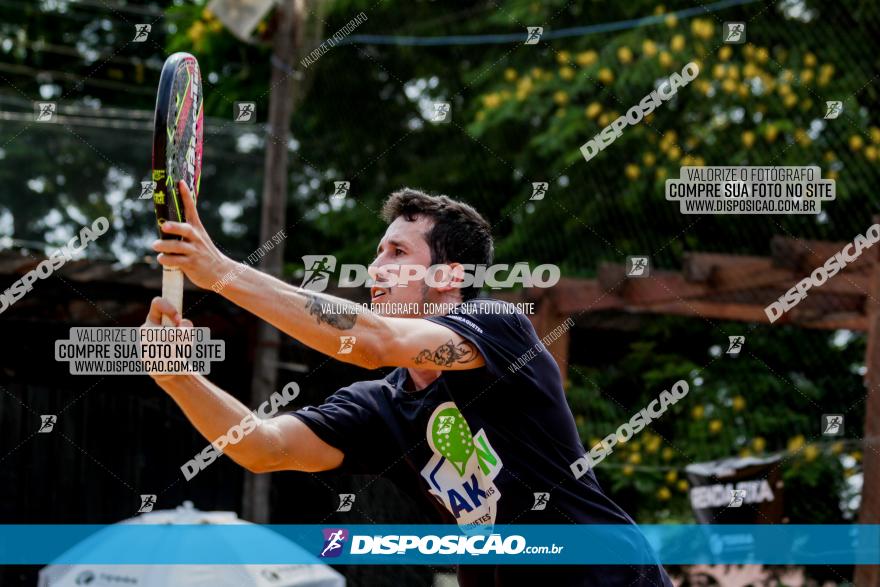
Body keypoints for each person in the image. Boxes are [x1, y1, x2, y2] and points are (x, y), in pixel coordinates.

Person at [145, 180, 673, 586]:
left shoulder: (498, 327)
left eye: (397, 253)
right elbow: (262, 447)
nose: (375, 268)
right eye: (378, 253)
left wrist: (220, 273)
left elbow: (372, 342)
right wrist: (179, 378)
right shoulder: (382, 408)